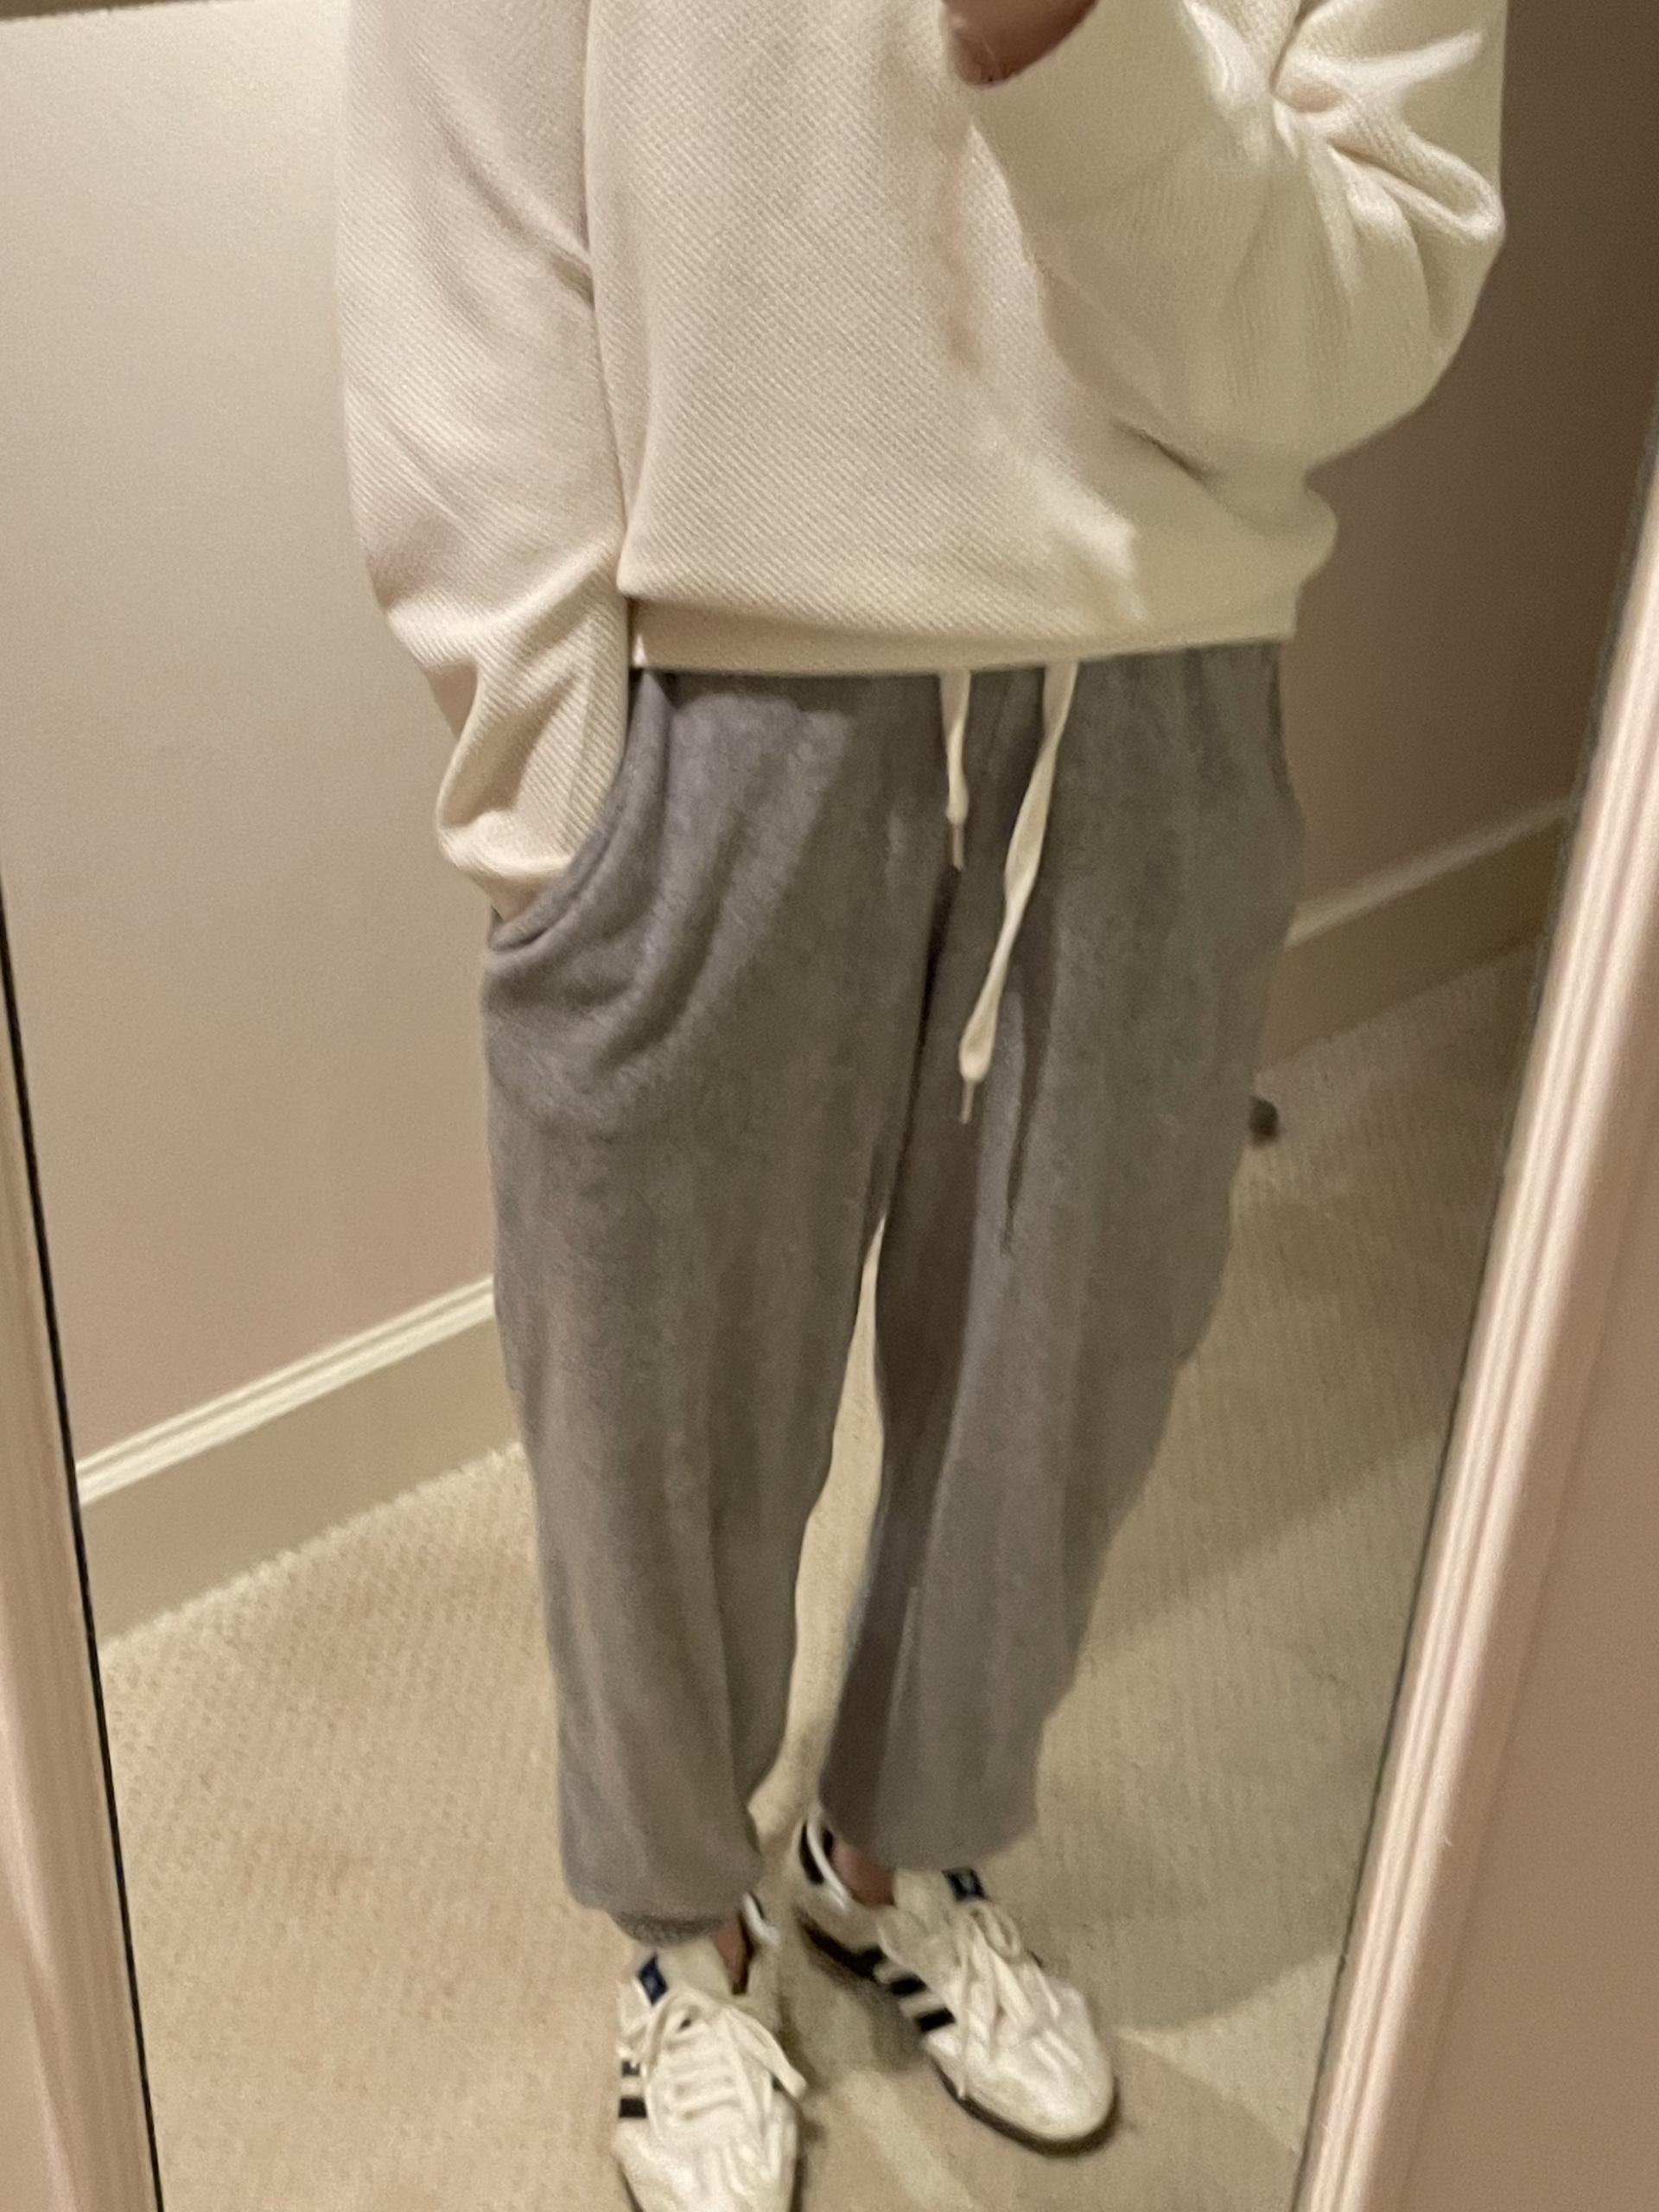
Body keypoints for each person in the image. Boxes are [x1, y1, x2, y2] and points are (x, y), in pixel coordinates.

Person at [335, 0, 1506, 2202]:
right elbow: (460, 192)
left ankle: (895, 1851)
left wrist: (1073, 52)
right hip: (710, 692)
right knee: (653, 1412)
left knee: (1068, 1377)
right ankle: (687, 1929)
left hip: (1162, 687)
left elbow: (1375, 294)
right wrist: (550, 791)